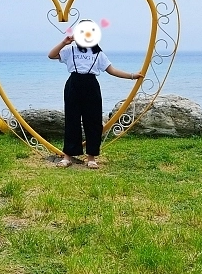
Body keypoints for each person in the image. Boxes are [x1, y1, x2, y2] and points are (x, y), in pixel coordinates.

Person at [47, 20, 143, 169]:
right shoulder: (70, 50)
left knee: (93, 122)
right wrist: (64, 42)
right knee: (72, 120)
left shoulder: (98, 53)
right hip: (73, 85)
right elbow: (51, 55)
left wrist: (132, 76)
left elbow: (112, 70)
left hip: (91, 86)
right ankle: (67, 157)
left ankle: (91, 158)